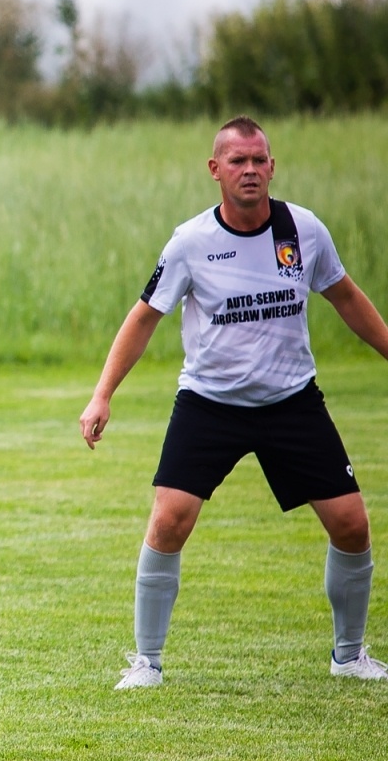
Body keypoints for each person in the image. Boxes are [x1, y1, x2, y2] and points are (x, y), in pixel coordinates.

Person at [80, 115, 388, 689]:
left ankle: (350, 656)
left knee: (351, 525)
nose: (250, 170)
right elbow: (144, 316)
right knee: (169, 521)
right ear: (215, 170)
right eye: (238, 161)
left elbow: (345, 296)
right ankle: (147, 663)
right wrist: (102, 395)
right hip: (210, 404)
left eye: (259, 159)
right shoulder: (191, 242)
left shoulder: (304, 230)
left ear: (272, 166)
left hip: (291, 401)